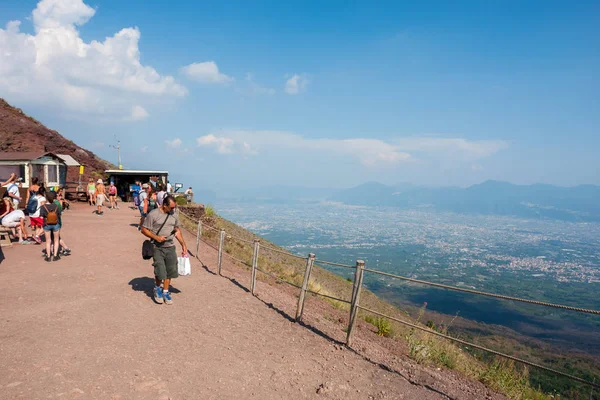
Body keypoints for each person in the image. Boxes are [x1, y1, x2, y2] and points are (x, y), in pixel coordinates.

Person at [141, 195, 188, 305]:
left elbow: (177, 231)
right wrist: (156, 237)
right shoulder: (154, 214)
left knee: (170, 270)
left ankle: (165, 291)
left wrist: (183, 245)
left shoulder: (174, 215)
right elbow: (143, 229)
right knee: (160, 270)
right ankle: (157, 289)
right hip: (157, 247)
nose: (173, 210)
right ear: (164, 205)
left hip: (170, 247)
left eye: (174, 207)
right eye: (171, 208)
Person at [41, 191, 62, 262]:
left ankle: (48, 256)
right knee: (56, 240)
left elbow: (41, 217)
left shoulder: (43, 207)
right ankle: (55, 255)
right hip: (56, 224)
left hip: (47, 225)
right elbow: (59, 215)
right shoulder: (56, 206)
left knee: (48, 240)